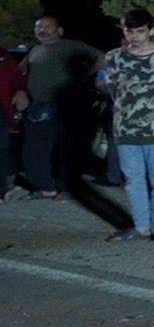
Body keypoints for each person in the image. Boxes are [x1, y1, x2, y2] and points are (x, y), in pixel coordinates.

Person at [98, 9, 154, 242]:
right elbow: (112, 90)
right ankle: (141, 227)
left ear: (151, 30)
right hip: (126, 128)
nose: (135, 36)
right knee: (133, 180)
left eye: (140, 31)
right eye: (130, 31)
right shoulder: (114, 57)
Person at [14, 14, 103, 199]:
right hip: (38, 108)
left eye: (47, 26)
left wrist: (86, 75)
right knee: (33, 151)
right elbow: (20, 72)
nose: (42, 30)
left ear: (59, 31)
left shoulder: (71, 46)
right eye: (38, 27)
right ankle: (45, 187)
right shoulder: (34, 50)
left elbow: (102, 57)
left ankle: (66, 188)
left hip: (65, 105)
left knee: (65, 149)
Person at [0, 39, 26, 195]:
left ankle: (1, 187)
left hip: (1, 109)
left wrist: (20, 91)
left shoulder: (4, 56)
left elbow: (17, 80)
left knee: (2, 148)